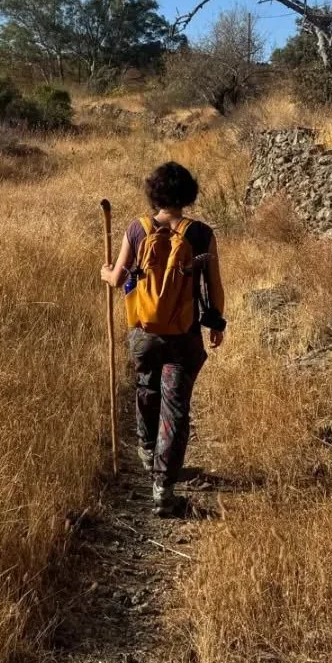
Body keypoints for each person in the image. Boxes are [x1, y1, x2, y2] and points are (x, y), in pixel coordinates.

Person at [100, 161, 226, 516]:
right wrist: (217, 322)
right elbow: (213, 285)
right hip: (183, 336)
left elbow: (116, 279)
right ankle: (164, 490)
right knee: (176, 407)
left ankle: (145, 448)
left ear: (154, 193)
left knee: (147, 386)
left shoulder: (137, 230)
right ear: (187, 194)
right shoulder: (200, 234)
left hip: (143, 333)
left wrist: (105, 271)